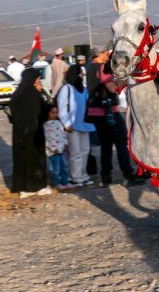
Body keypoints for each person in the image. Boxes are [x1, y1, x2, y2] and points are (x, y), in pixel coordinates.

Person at [87, 47, 137, 186]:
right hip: (108, 111)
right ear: (98, 55)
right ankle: (127, 174)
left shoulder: (90, 68)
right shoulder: (102, 67)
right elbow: (111, 87)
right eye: (104, 53)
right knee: (121, 141)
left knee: (106, 145)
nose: (107, 55)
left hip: (96, 111)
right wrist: (122, 80)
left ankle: (106, 177)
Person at [8, 68, 51, 196]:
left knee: (21, 159)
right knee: (35, 159)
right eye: (37, 79)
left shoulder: (17, 94)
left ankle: (23, 188)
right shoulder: (34, 94)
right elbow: (42, 113)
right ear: (32, 80)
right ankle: (37, 187)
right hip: (33, 134)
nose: (39, 81)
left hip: (20, 135)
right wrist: (41, 94)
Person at [57, 64, 95, 186]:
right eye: (80, 74)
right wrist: (66, 123)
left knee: (85, 150)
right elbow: (62, 107)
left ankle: (83, 175)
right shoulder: (66, 88)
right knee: (75, 152)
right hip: (72, 126)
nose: (82, 76)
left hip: (84, 124)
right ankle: (75, 176)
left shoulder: (83, 89)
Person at [44, 103, 71, 189]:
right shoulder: (45, 125)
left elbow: (63, 134)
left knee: (64, 167)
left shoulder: (58, 122)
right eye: (53, 112)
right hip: (53, 151)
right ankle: (56, 183)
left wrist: (65, 144)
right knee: (55, 169)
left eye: (56, 112)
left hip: (62, 149)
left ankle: (65, 182)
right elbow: (46, 139)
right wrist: (52, 148)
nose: (55, 114)